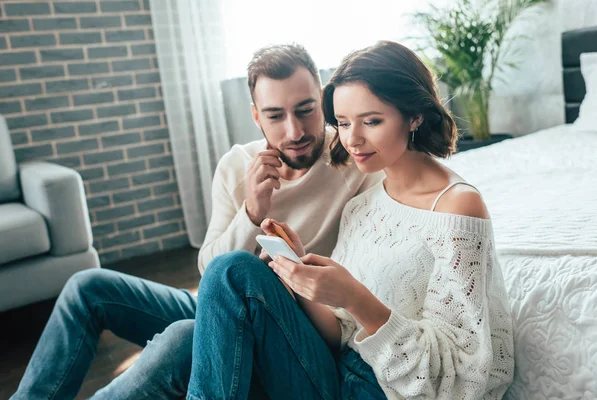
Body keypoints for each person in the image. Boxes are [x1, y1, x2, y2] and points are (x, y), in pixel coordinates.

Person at [11, 44, 381, 400]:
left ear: (323, 101)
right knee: (87, 286)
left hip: (296, 327)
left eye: (306, 110)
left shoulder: (356, 160)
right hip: (227, 301)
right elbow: (209, 268)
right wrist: (251, 213)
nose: (295, 132)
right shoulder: (238, 166)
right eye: (275, 116)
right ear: (256, 116)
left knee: (183, 339)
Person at [186, 41, 515, 400]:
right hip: (333, 374)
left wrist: (356, 298)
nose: (352, 139)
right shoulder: (362, 207)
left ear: (414, 115)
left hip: (379, 391)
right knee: (225, 278)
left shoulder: (457, 208)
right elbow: (339, 333)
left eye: (371, 121)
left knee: (211, 301)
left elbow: (463, 377)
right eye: (342, 123)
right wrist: (299, 272)